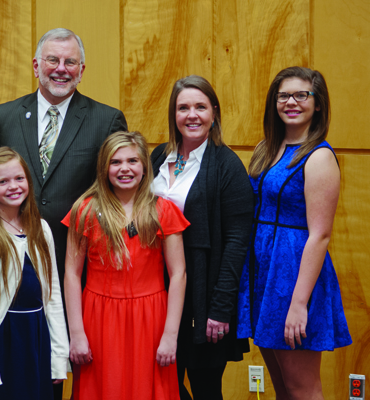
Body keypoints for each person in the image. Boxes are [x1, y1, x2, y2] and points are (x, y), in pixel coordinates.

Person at [236, 66, 351, 400]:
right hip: (262, 275)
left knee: (303, 388)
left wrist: (299, 304)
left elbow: (320, 235)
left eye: (302, 95)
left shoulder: (318, 157)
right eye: (283, 95)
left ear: (318, 104)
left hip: (294, 278)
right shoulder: (265, 149)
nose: (291, 102)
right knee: (283, 387)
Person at [0, 28, 128, 314]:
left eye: (70, 63)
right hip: (12, 256)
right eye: (52, 60)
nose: (61, 69)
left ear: (81, 71)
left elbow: (117, 194)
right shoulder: (3, 118)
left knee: (68, 351)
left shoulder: (106, 120)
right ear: (36, 66)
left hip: (78, 262)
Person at [150, 75, 253, 400]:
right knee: (163, 384)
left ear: (214, 113)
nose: (191, 115)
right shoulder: (158, 157)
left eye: (200, 107)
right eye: (183, 108)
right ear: (173, 114)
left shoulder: (227, 165)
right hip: (157, 290)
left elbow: (238, 240)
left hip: (203, 296)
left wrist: (220, 308)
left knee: (205, 388)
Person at [64, 131, 189, 400]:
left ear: (144, 166)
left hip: (151, 319)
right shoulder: (85, 210)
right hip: (99, 319)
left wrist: (170, 335)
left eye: (132, 160)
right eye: (115, 162)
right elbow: (72, 275)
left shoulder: (163, 211)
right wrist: (76, 333)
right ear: (104, 168)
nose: (124, 168)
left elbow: (178, 274)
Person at [0, 147, 69, 399]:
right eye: (3, 181)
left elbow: (53, 296)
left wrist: (59, 354)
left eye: (19, 178)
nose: (13, 186)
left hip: (34, 338)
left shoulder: (40, 228)